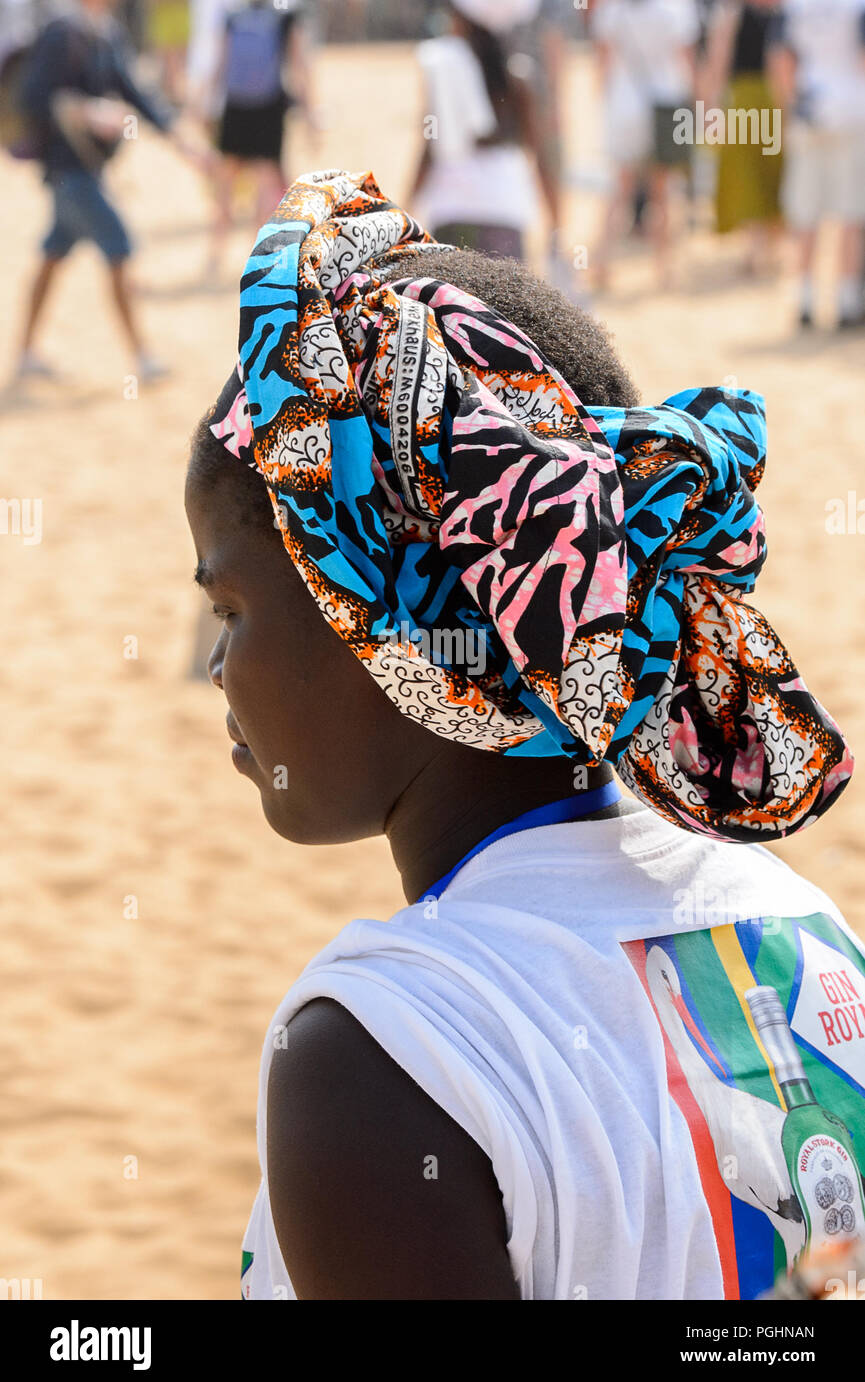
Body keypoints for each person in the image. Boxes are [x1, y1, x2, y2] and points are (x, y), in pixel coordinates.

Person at [186, 170, 860, 1301]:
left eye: (231, 611)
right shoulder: (806, 933)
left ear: (388, 631)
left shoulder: (384, 1055)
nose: (217, 667)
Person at [14, 0, 199, 381]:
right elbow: (31, 97)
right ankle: (143, 358)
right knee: (119, 246)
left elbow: (137, 94)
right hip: (67, 173)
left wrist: (182, 142)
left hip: (89, 171)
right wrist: (85, 110)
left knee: (53, 254)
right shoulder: (60, 34)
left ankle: (26, 352)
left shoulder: (107, 34)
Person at [408, 0, 562, 262]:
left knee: (453, 301)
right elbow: (542, 155)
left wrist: (406, 208)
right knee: (504, 302)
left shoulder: (442, 67)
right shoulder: (519, 75)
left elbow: (430, 149)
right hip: (505, 207)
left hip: (451, 208)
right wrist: (557, 222)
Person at [768, 0, 865, 329]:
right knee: (850, 213)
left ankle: (805, 300)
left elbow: (781, 62)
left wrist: (791, 106)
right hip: (852, 110)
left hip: (809, 108)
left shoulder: (795, 7)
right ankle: (847, 301)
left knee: (806, 215)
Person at [591, 0, 700, 290]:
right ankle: (664, 269)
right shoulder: (677, 10)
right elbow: (686, 60)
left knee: (620, 191)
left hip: (624, 106)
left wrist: (606, 104)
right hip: (666, 105)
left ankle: (601, 265)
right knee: (662, 193)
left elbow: (602, 64)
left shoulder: (610, 11)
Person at [204, 0, 313, 279]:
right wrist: (310, 113)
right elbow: (299, 67)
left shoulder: (234, 16)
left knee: (225, 185)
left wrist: (204, 103)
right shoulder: (286, 16)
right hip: (269, 109)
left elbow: (220, 63)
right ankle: (257, 260)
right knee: (265, 187)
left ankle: (215, 257)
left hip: (235, 108)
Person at [701, 0, 783, 273]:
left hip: (757, 100)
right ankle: (760, 248)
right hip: (758, 100)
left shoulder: (741, 12)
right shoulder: (740, 12)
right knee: (756, 175)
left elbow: (717, 58)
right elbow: (719, 58)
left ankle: (761, 248)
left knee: (761, 175)